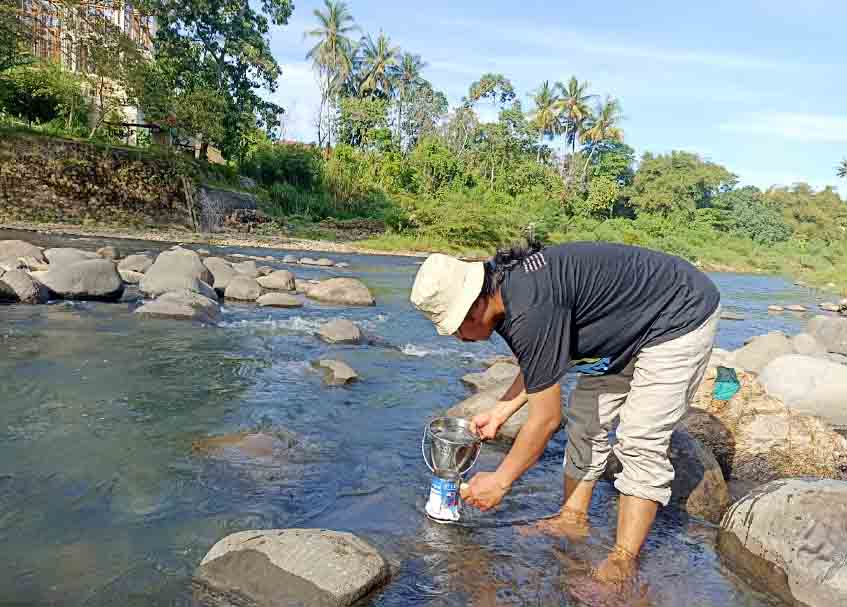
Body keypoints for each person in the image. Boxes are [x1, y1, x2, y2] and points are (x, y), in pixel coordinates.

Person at [410, 240, 720, 583]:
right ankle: (572, 517)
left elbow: (545, 420)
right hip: (619, 329)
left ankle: (622, 561)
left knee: (639, 439)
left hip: (677, 314)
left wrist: (501, 481)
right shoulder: (506, 294)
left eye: (454, 327)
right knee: (585, 422)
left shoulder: (529, 305)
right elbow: (541, 362)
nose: (458, 338)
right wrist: (501, 412)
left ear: (473, 306)